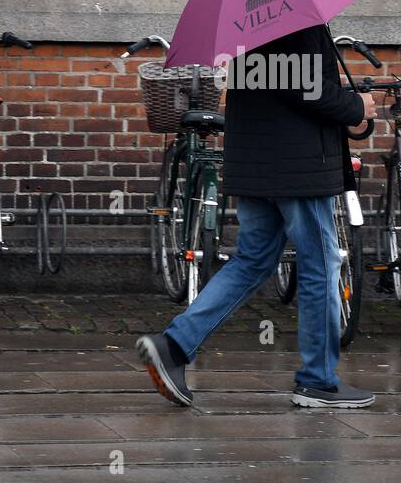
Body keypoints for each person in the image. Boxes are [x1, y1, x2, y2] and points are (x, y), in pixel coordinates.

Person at [137, 23, 378, 409]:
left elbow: (274, 81)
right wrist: (355, 106)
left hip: (254, 163)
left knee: (252, 262)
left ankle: (175, 345)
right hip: (298, 169)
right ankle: (319, 380)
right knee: (322, 264)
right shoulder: (298, 20)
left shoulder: (245, 21)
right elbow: (304, 87)